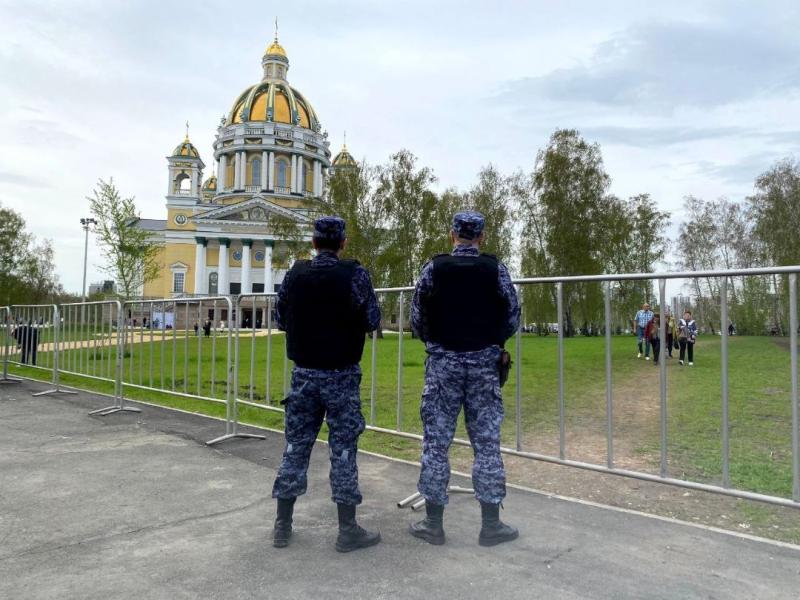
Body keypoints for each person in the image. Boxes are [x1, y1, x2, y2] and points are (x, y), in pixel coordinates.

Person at [271, 216, 382, 552]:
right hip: (341, 376)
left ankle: (282, 525)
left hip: (304, 375)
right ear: (343, 243)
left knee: (295, 447)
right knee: (344, 450)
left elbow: (280, 319)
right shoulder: (355, 275)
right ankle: (347, 530)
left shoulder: (295, 274)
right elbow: (373, 319)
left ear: (314, 242)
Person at [410, 211, 521, 547]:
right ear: (481, 237)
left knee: (436, 444)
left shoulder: (434, 268)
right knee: (486, 444)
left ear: (452, 234)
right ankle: (490, 525)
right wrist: (490, 342)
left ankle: (433, 524)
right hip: (484, 365)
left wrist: (437, 343)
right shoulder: (495, 269)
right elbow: (513, 315)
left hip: (443, 365)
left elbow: (416, 317)